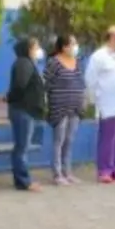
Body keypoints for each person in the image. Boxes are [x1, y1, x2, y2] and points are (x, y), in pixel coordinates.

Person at [87, 26, 115, 183]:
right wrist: (95, 100)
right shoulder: (99, 56)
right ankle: (104, 170)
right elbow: (91, 80)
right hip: (108, 104)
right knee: (108, 139)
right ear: (113, 37)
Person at [6, 38, 46, 191]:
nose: (38, 50)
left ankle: (21, 180)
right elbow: (20, 86)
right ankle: (24, 181)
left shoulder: (29, 63)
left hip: (26, 110)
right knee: (22, 147)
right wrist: (11, 98)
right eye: (36, 47)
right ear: (28, 49)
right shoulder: (24, 64)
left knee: (22, 146)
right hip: (23, 110)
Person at [44, 35, 84, 185]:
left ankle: (68, 172)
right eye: (73, 44)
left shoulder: (77, 62)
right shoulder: (54, 62)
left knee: (69, 140)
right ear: (64, 47)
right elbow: (46, 82)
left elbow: (80, 81)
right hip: (59, 107)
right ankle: (57, 173)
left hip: (75, 107)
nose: (75, 46)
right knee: (59, 140)